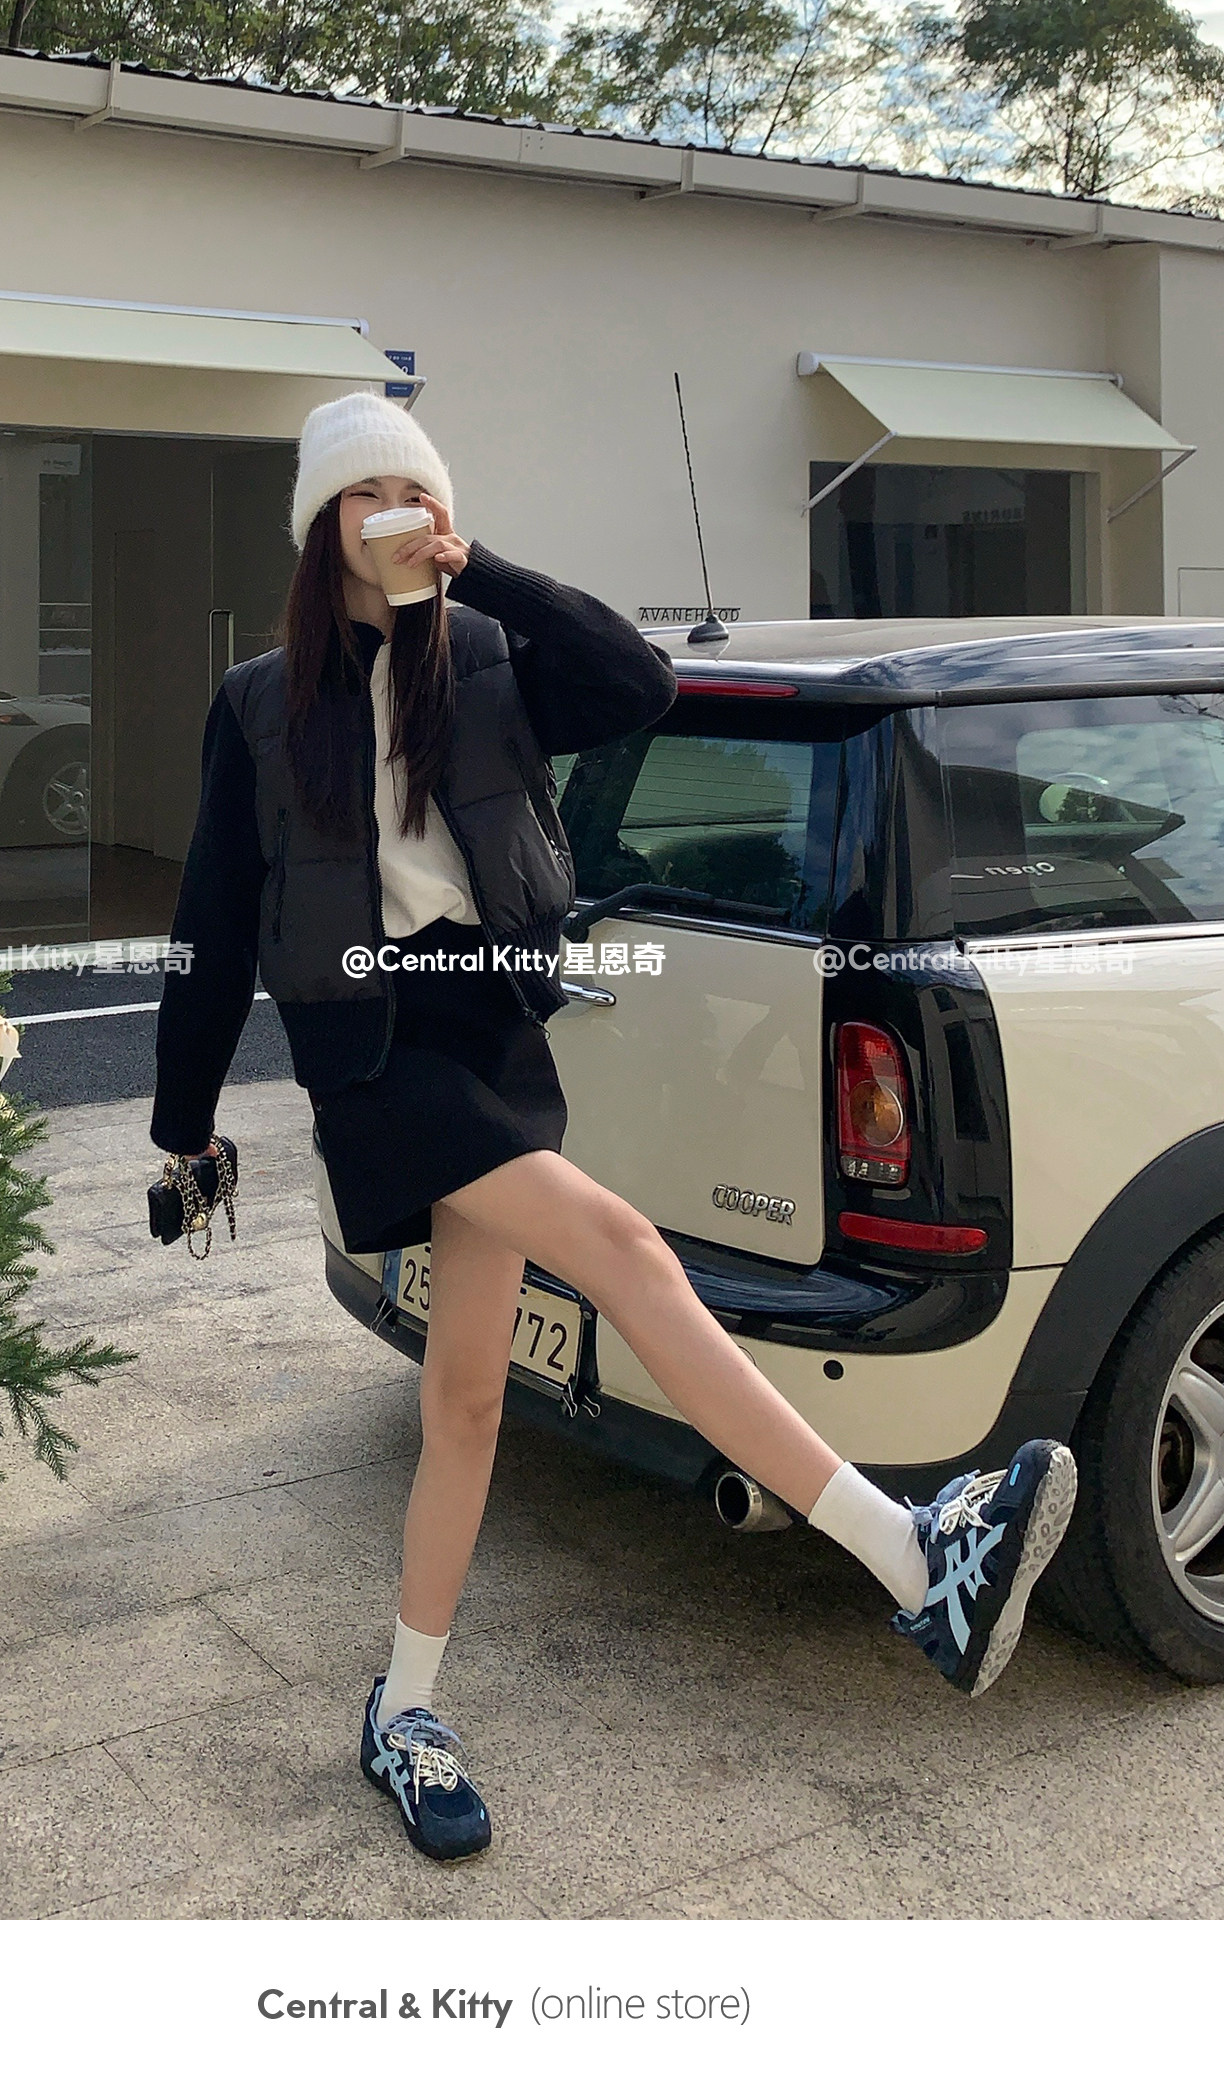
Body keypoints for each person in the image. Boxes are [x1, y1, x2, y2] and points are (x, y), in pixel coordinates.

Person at [149, 391, 1078, 1865]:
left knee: (467, 1404)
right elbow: (209, 918)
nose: (393, 513)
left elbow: (636, 681)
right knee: (632, 1254)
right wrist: (181, 1123)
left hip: (496, 1034)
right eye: (365, 495)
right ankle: (912, 1558)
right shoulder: (262, 703)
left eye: (415, 489)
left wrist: (481, 569)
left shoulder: (485, 658)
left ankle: (404, 1707)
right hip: (380, 1057)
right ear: (320, 527)